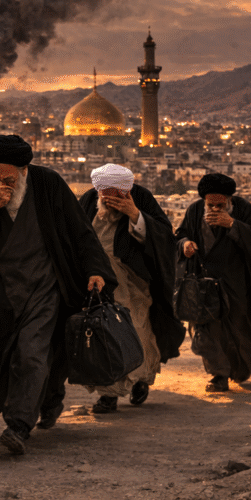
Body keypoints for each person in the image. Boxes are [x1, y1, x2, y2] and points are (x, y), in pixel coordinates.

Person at [0, 134, 115, 455]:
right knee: (8, 358)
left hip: (45, 287)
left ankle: (18, 424)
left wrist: (95, 270)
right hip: (1, 290)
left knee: (32, 352)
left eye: (8, 178)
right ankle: (48, 398)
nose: (2, 183)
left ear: (24, 169)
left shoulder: (48, 184)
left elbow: (79, 231)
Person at [175, 173, 251, 392]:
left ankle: (238, 368)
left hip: (238, 284)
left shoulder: (244, 210)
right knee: (207, 333)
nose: (215, 209)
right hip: (204, 285)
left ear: (230, 200)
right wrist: (185, 245)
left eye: (221, 205)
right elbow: (180, 234)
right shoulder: (194, 211)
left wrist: (233, 225)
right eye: (211, 205)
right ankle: (219, 375)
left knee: (240, 332)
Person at [78, 164, 185, 413]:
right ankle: (109, 394)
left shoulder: (142, 198)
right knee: (102, 335)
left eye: (116, 193)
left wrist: (136, 215)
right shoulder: (87, 201)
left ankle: (141, 379)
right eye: (105, 193)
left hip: (133, 282)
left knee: (136, 331)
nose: (109, 198)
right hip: (95, 282)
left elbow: (163, 238)